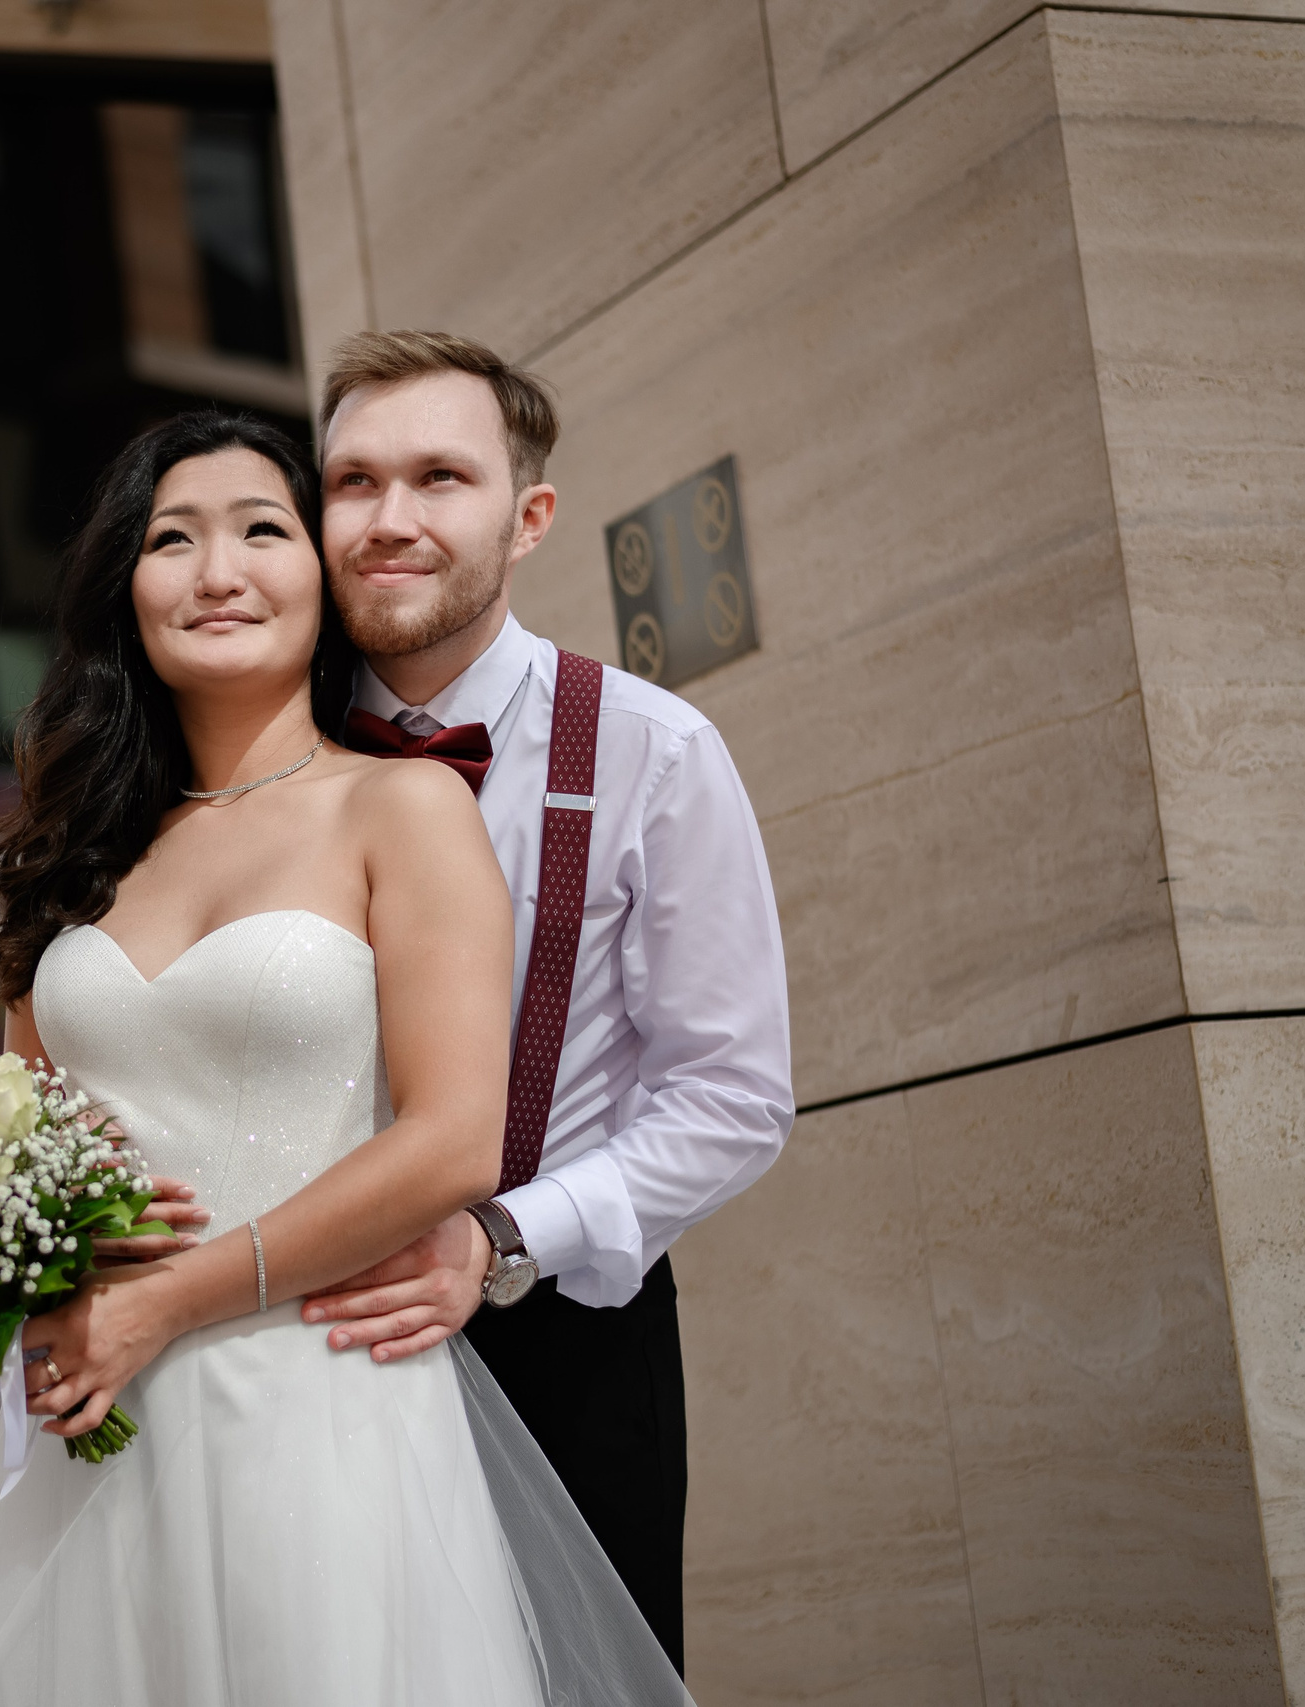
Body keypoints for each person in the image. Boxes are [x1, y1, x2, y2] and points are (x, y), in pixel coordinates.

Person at [0, 411, 688, 1706]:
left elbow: (456, 1138)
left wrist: (168, 1302)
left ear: (322, 585)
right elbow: (25, 1139)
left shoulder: (402, 807)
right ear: (129, 590)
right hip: (100, 1438)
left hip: (325, 1402)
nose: (218, 571)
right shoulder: (69, 857)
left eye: (262, 531)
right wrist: (33, 1279)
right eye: (173, 539)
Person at [293, 331, 795, 1673]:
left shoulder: (655, 752)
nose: (391, 520)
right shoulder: (246, 758)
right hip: (284, 1351)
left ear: (528, 519)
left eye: (440, 478)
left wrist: (503, 1239)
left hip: (560, 1343)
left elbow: (734, 1099)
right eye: (353, 482)